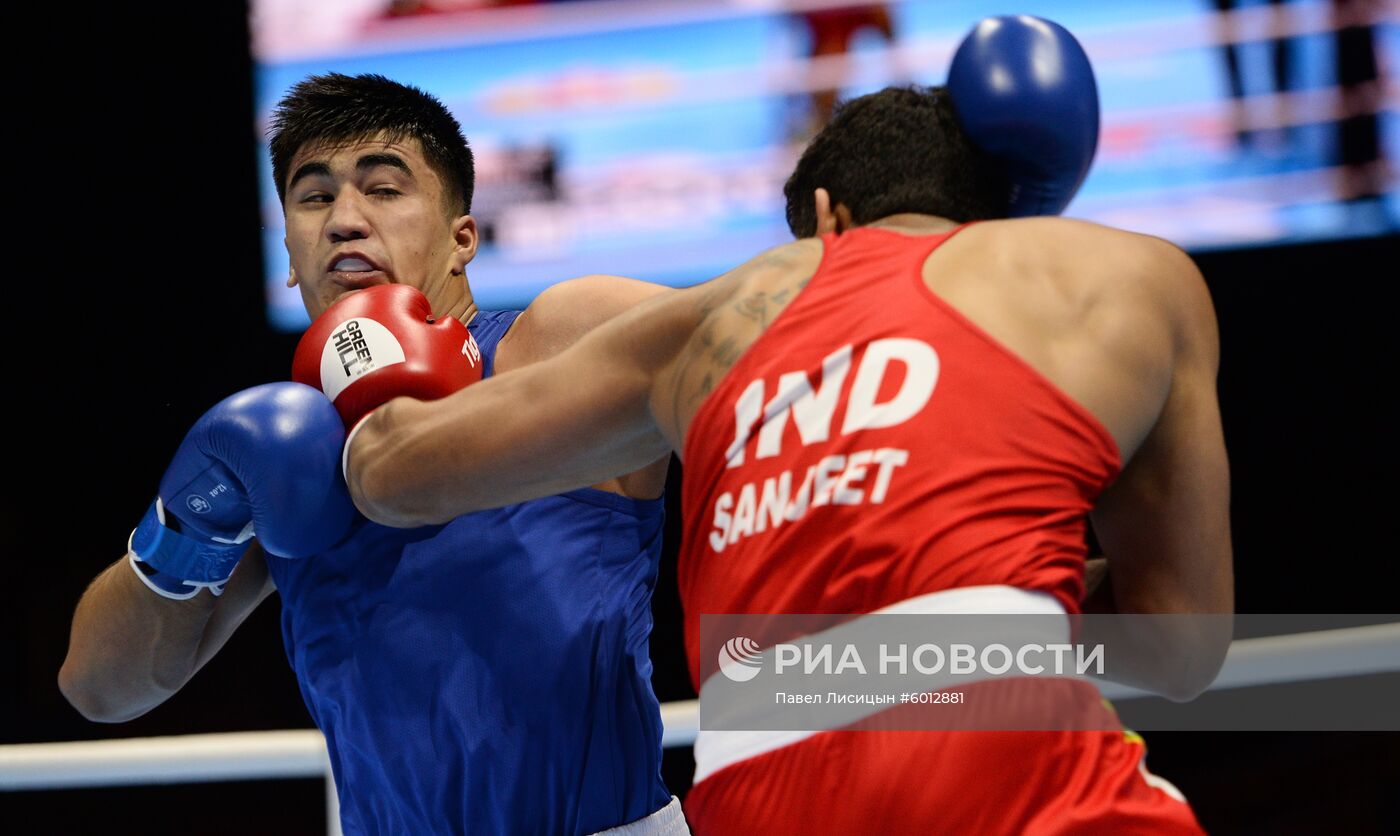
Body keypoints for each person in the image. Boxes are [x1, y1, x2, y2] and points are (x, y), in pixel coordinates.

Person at [342, 21, 1234, 835]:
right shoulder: (1129, 276)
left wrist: (364, 362)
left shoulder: (722, 316)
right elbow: (1180, 644)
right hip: (1004, 761)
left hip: (756, 790)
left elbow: (393, 472)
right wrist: (999, 602)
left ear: (821, 222)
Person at [58, 72, 689, 836]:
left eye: (384, 189)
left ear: (462, 239)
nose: (345, 221)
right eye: (315, 197)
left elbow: (770, 359)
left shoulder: (556, 342)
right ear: (287, 248)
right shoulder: (284, 447)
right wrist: (182, 530)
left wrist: (820, 691)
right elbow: (102, 690)